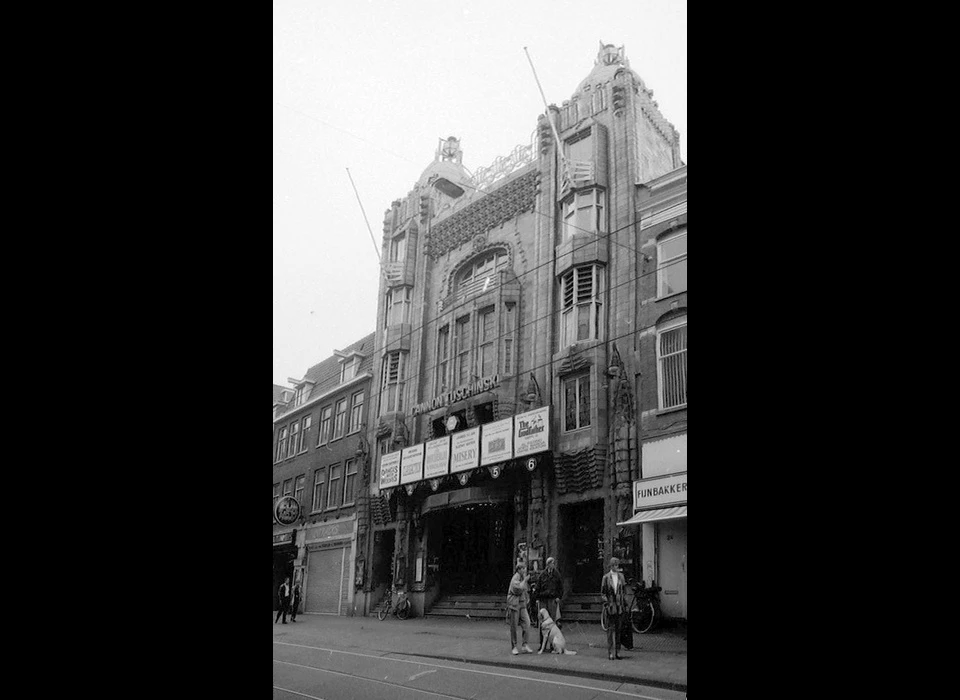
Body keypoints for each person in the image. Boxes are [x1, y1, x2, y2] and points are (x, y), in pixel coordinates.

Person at [600, 557, 627, 660]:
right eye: (615, 565)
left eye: (617, 565)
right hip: (610, 607)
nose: (617, 567)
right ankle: (610, 652)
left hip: (619, 607)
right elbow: (603, 593)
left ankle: (618, 651)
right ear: (611, 566)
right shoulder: (606, 577)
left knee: (619, 630)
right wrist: (606, 603)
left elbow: (623, 591)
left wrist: (624, 602)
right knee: (610, 630)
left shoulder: (621, 577)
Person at [506, 562, 534, 655]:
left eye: (524, 568)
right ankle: (514, 646)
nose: (524, 570)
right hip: (514, 604)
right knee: (514, 626)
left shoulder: (522, 578)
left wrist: (527, 598)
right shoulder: (516, 578)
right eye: (523, 568)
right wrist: (525, 580)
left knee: (527, 623)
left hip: (522, 604)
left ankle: (525, 644)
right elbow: (517, 589)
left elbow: (525, 590)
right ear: (519, 569)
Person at [536, 557, 564, 629]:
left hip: (552, 598)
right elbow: (538, 587)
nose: (553, 565)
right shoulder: (542, 574)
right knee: (543, 617)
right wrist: (537, 598)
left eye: (553, 563)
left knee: (552, 617)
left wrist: (559, 597)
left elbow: (560, 587)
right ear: (548, 564)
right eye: (552, 563)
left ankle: (551, 633)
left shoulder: (556, 574)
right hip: (543, 598)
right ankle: (543, 634)